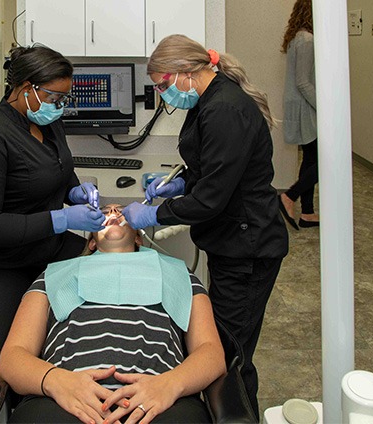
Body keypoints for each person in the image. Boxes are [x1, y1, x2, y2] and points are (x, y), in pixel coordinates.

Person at [121, 34, 289, 418]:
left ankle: (237, 415)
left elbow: (213, 197)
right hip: (232, 241)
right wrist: (181, 182)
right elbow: (214, 168)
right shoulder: (209, 100)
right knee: (224, 341)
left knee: (230, 354)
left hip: (248, 247)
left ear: (186, 73)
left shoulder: (225, 109)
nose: (163, 95)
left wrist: (154, 214)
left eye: (163, 85)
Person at [0, 44, 105, 394]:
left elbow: (60, 173)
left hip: (43, 249)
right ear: (25, 89)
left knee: (100, 306)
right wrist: (59, 220)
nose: (60, 106)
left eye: (65, 98)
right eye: (54, 97)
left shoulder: (47, 123)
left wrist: (77, 192)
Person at [0, 205, 226, 424]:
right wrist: (56, 381)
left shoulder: (179, 274)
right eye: (104, 213)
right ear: (92, 242)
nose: (114, 213)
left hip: (159, 399)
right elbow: (11, 359)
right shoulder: (54, 275)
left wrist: (170, 384)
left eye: (124, 212)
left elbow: (212, 353)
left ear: (138, 237)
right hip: (64, 399)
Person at [279, 0, 319, 230]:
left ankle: (308, 213)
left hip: (301, 105)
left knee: (311, 159)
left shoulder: (299, 37)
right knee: (321, 161)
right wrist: (324, 107)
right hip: (306, 107)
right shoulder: (306, 40)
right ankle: (289, 196)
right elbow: (303, 82)